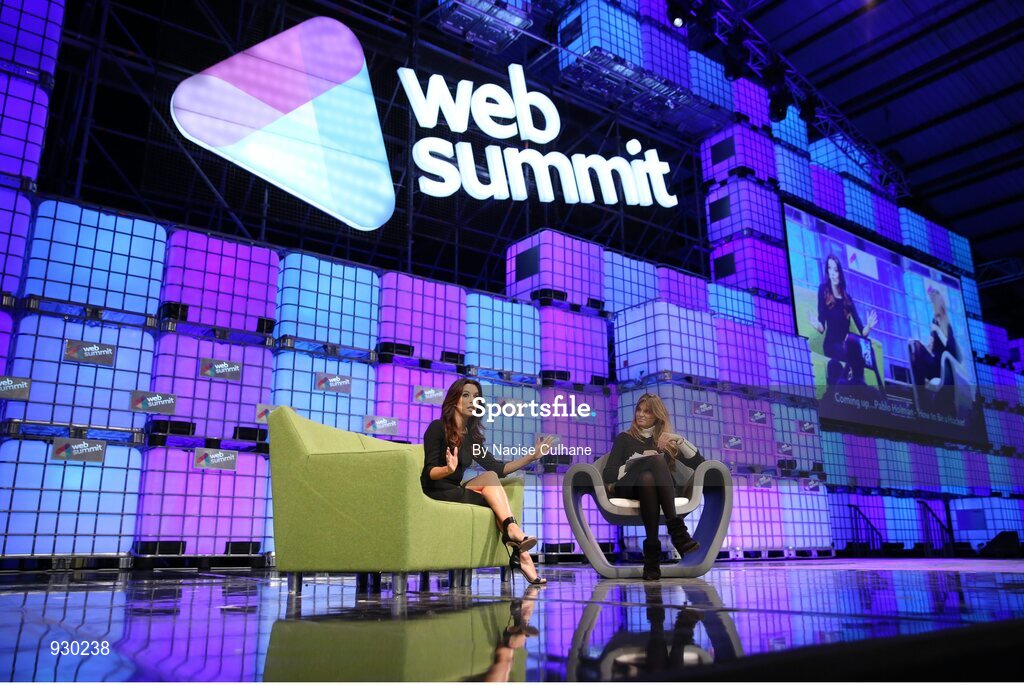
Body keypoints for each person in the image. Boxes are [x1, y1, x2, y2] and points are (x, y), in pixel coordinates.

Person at [422, 378, 554, 585]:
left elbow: (498, 468)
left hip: (455, 490)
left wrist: (532, 457)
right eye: (466, 395)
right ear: (453, 400)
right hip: (436, 490)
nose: (472, 400)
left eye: (476, 397)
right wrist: (448, 469)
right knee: (496, 502)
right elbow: (428, 472)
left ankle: (513, 534)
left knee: (491, 479)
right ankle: (521, 551)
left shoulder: (470, 437)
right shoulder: (437, 428)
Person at [601, 393, 705, 581]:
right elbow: (608, 475)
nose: (640, 414)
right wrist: (633, 463)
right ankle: (677, 532)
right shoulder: (625, 438)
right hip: (628, 486)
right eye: (639, 410)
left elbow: (700, 464)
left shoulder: (665, 441)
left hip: (655, 490)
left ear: (657, 416)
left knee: (649, 477)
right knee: (655, 460)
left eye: (647, 412)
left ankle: (652, 555)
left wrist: (679, 441)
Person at [808, 253, 878, 391]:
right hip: (831, 344)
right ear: (827, 271)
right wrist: (817, 324)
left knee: (855, 354)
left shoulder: (848, 300)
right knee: (847, 355)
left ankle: (854, 392)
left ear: (840, 272)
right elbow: (822, 326)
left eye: (836, 270)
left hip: (846, 347)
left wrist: (869, 326)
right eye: (830, 269)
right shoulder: (823, 290)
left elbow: (862, 331)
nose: (833, 274)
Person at [909, 284, 963, 415]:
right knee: (915, 345)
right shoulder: (935, 321)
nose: (933, 306)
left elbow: (951, 350)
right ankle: (920, 397)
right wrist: (928, 346)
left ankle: (922, 399)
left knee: (919, 352)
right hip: (933, 362)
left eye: (934, 302)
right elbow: (933, 347)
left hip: (943, 367)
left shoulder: (947, 325)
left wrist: (938, 331)